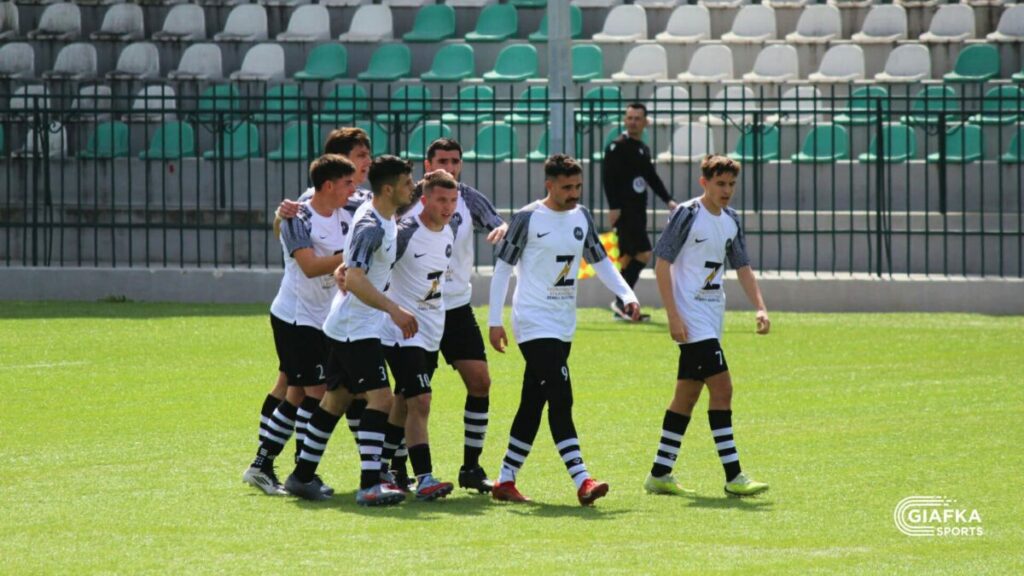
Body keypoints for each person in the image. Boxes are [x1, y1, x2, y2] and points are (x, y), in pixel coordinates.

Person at [487, 154, 641, 506]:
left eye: (578, 186)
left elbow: (600, 261)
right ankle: (583, 479)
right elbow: (502, 269)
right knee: (560, 396)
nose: (574, 193)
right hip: (532, 321)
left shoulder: (581, 216)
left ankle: (505, 479)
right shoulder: (527, 218)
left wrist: (627, 295)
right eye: (567, 187)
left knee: (533, 401)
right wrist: (494, 321)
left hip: (563, 323)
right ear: (550, 185)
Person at [284, 155, 417, 506]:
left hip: (353, 324)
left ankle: (301, 476)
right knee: (382, 400)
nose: (413, 187)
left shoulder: (382, 214)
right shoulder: (371, 224)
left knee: (336, 400)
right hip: (354, 329)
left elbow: (350, 268)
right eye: (407, 183)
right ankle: (370, 484)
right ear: (387, 189)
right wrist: (394, 310)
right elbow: (355, 279)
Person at [642, 154, 771, 498]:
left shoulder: (731, 219)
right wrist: (673, 315)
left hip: (713, 318)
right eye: (720, 184)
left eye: (731, 184)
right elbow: (661, 263)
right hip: (691, 320)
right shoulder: (687, 213)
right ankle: (734, 475)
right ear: (704, 183)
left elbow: (742, 266)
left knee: (686, 397)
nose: (726, 190)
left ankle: (659, 473)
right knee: (723, 388)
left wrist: (760, 307)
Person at [398, 138, 508, 493]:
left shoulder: (468, 197)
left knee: (480, 381)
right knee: (409, 396)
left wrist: (502, 229)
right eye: (442, 160)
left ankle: (471, 468)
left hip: (456, 306)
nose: (450, 166)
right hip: (416, 309)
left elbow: (498, 224)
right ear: (427, 165)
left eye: (455, 160)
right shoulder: (408, 199)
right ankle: (397, 469)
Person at [243, 155, 358, 495]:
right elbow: (309, 267)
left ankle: (265, 466)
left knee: (296, 393)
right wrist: (354, 254)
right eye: (348, 183)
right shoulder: (298, 218)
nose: (353, 190)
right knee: (317, 394)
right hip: (296, 319)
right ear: (329, 185)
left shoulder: (346, 215)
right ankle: (299, 473)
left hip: (323, 320)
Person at [273, 127, 374, 453]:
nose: (367, 162)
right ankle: (277, 464)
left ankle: (374, 467)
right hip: (300, 315)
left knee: (321, 390)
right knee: (303, 391)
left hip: (330, 317)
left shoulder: (357, 202)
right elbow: (303, 256)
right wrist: (354, 255)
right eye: (360, 156)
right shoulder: (304, 206)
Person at [379, 171, 460, 501]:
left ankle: (384, 467)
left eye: (452, 200)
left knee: (403, 401)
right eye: (441, 200)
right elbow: (375, 269)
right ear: (424, 200)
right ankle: (425, 478)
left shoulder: (449, 230)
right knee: (421, 400)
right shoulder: (405, 233)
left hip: (430, 331)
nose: (448, 207)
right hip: (401, 332)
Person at [602, 102, 677, 322]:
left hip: (638, 210)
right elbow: (608, 178)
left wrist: (668, 200)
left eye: (637, 118)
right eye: (630, 118)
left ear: (645, 122)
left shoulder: (643, 149)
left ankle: (623, 307)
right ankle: (621, 302)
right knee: (641, 254)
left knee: (628, 258)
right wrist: (614, 206)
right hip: (625, 211)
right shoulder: (617, 146)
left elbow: (651, 177)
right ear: (625, 120)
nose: (633, 122)